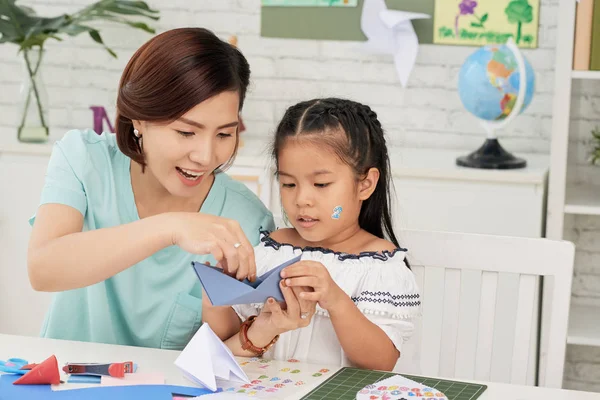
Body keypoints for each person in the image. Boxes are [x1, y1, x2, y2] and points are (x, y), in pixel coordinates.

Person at [26, 28, 274, 350]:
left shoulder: (247, 218)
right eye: (186, 132)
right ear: (138, 119)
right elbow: (43, 269)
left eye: (224, 135)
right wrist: (170, 226)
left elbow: (235, 350)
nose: (205, 156)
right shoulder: (85, 159)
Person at [204, 98, 421, 372]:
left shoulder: (380, 265)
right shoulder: (273, 249)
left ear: (365, 184)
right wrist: (215, 294)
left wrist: (336, 300)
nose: (302, 199)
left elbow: (381, 361)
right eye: (289, 183)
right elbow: (226, 340)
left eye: (321, 184)